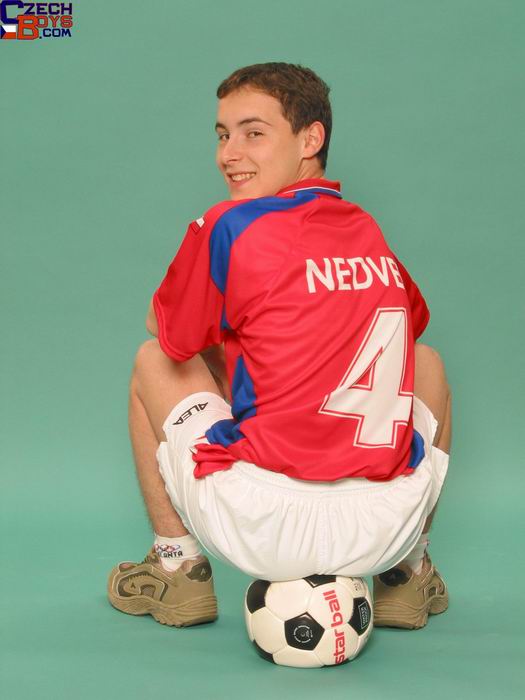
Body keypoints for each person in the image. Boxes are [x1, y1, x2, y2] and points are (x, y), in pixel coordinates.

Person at [107, 63, 451, 631]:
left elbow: (164, 330)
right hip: (385, 526)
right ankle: (407, 573)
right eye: (223, 135)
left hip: (262, 524)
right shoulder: (365, 228)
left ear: (310, 139)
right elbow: (406, 330)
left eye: (253, 133)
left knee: (156, 358)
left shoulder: (229, 224)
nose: (229, 154)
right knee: (429, 362)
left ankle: (177, 567)